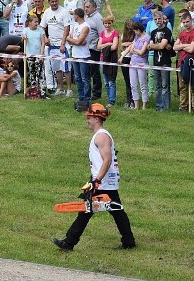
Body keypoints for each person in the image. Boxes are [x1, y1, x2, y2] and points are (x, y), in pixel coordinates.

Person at [52, 103, 136, 251]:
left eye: (89, 117)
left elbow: (107, 160)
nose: (87, 120)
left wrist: (96, 180)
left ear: (97, 119)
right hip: (102, 180)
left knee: (90, 210)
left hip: (102, 182)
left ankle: (69, 242)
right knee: (113, 211)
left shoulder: (102, 136)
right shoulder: (100, 135)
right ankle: (128, 241)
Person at [41, 0, 71, 95]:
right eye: (52, 2)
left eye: (56, 1)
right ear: (49, 2)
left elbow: (67, 28)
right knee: (56, 67)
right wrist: (45, 38)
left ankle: (69, 89)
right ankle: (60, 88)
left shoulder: (64, 11)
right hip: (51, 44)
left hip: (62, 43)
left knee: (65, 67)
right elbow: (42, 27)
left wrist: (63, 43)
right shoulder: (47, 12)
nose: (54, 3)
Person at [174, 12, 194, 112]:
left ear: (191, 21)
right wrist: (185, 45)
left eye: (187, 22)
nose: (186, 24)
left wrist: (182, 46)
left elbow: (192, 49)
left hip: (192, 62)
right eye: (184, 22)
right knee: (183, 86)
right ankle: (183, 106)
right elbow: (174, 47)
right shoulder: (181, 33)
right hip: (181, 62)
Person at [66, 8, 91, 111]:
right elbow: (71, 38)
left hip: (83, 55)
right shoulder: (75, 25)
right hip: (75, 54)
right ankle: (80, 97)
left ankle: (86, 98)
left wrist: (71, 40)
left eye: (74, 15)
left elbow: (78, 42)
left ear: (77, 15)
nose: (73, 17)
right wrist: (72, 40)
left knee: (85, 78)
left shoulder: (86, 27)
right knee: (77, 78)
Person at [148, 11, 173, 111]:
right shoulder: (153, 32)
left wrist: (157, 45)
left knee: (165, 85)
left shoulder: (167, 31)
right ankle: (158, 105)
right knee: (158, 85)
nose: (158, 21)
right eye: (156, 19)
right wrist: (159, 46)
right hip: (155, 61)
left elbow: (162, 46)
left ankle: (165, 106)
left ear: (163, 18)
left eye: (159, 19)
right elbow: (149, 46)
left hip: (165, 61)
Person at [124, 21, 149, 110]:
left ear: (139, 30)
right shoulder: (136, 37)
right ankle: (136, 105)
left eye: (135, 31)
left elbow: (142, 52)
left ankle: (144, 105)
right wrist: (133, 50)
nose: (135, 32)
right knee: (133, 84)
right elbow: (130, 49)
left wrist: (134, 50)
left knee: (143, 84)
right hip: (133, 62)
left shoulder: (146, 38)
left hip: (142, 63)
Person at [22, 15, 47, 98]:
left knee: (40, 73)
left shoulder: (40, 30)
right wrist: (24, 37)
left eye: (37, 21)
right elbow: (23, 39)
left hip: (38, 54)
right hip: (29, 55)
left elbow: (43, 42)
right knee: (32, 73)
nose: (37, 23)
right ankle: (34, 91)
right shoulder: (26, 30)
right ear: (29, 22)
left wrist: (41, 55)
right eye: (35, 22)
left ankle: (42, 92)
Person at [85, 0, 105, 101]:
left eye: (88, 7)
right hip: (86, 49)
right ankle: (88, 90)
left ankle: (97, 93)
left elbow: (102, 33)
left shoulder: (98, 18)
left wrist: (99, 46)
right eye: (85, 7)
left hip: (94, 49)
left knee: (94, 71)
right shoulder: (87, 17)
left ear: (94, 7)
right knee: (88, 71)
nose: (86, 9)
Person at [98, 16, 119, 108]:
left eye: (109, 23)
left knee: (111, 81)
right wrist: (108, 44)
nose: (107, 25)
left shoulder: (115, 33)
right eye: (105, 23)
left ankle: (112, 100)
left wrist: (104, 46)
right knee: (106, 81)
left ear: (112, 23)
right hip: (103, 58)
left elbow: (114, 47)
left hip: (112, 59)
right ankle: (109, 98)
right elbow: (98, 46)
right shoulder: (102, 33)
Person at [120, 19, 135, 109]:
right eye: (128, 28)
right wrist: (127, 44)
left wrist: (127, 44)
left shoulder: (135, 35)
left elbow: (132, 45)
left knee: (132, 81)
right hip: (125, 58)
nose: (129, 30)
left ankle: (133, 100)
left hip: (132, 58)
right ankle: (128, 100)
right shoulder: (123, 35)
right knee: (127, 81)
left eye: (131, 28)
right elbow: (122, 46)